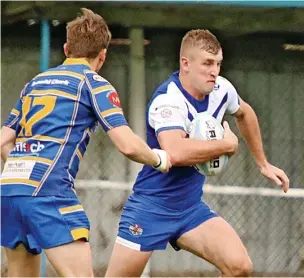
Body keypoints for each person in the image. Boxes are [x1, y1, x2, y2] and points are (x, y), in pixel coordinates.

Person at [0, 8, 171, 277]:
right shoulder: (94, 84)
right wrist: (159, 159)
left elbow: (3, 141)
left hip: (10, 190)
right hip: (49, 192)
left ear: (67, 48)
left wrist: (23, 169)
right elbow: (127, 144)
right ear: (102, 55)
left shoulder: (35, 83)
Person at [105, 29, 290, 277]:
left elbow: (245, 113)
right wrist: (226, 145)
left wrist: (263, 163)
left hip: (190, 209)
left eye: (218, 64)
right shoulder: (168, 100)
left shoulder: (222, 90)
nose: (214, 71)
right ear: (186, 64)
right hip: (150, 208)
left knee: (240, 267)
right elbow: (175, 151)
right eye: (207, 63)